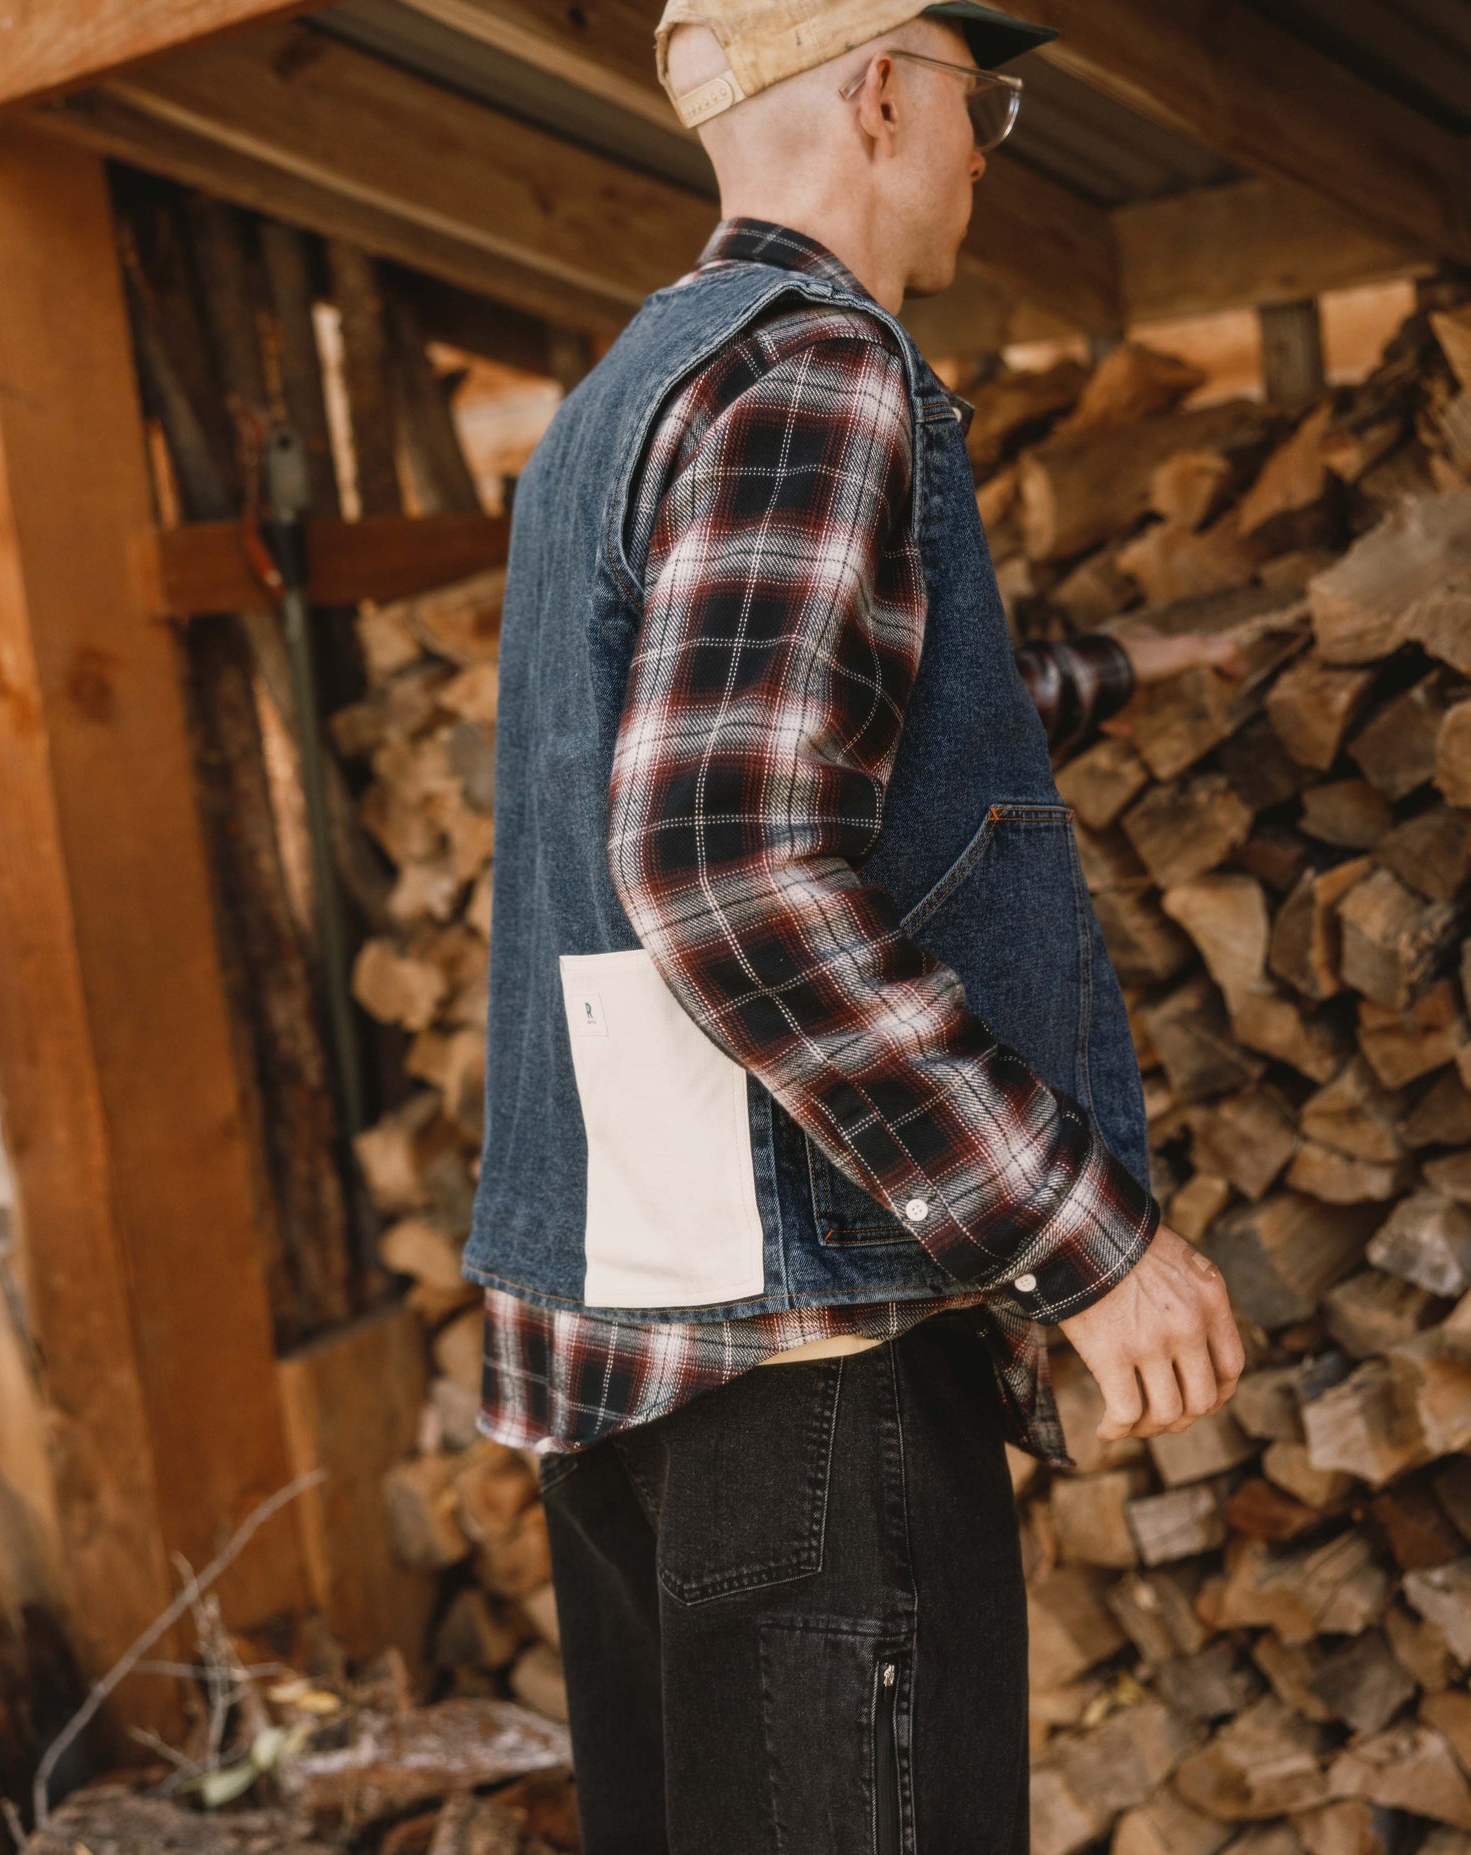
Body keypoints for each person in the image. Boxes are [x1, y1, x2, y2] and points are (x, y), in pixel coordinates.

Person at [459, 4, 1247, 1848]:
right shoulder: (820, 376)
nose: (992, 147)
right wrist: (1092, 1242)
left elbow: (825, 736)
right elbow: (730, 861)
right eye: (985, 100)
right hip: (810, 1389)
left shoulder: (624, 400)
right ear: (887, 91)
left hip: (640, 1362)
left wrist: (1138, 665)